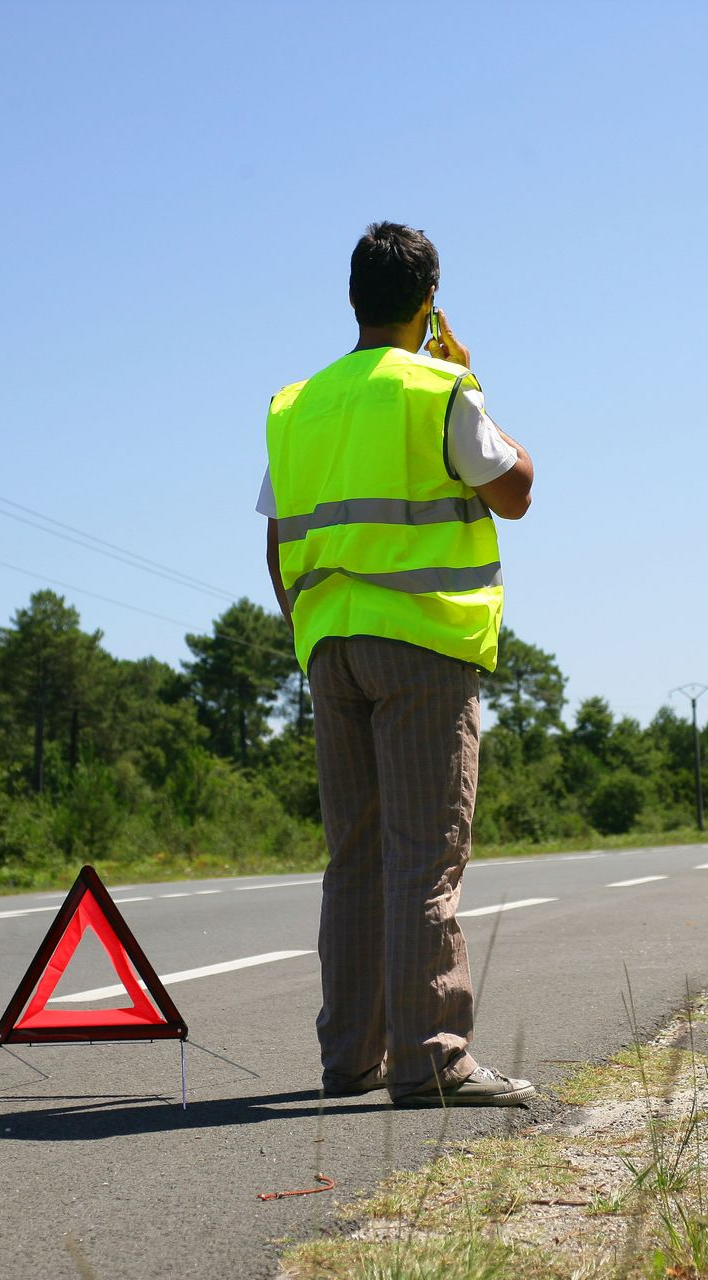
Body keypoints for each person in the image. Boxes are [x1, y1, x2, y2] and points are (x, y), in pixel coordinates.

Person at [258, 222, 535, 1107]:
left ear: (351, 299)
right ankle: (434, 1063)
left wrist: (312, 625)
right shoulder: (442, 386)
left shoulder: (297, 403)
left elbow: (276, 542)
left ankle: (352, 1058)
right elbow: (516, 490)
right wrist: (474, 383)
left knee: (356, 860)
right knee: (425, 859)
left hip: (328, 646)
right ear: (429, 303)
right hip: (423, 649)